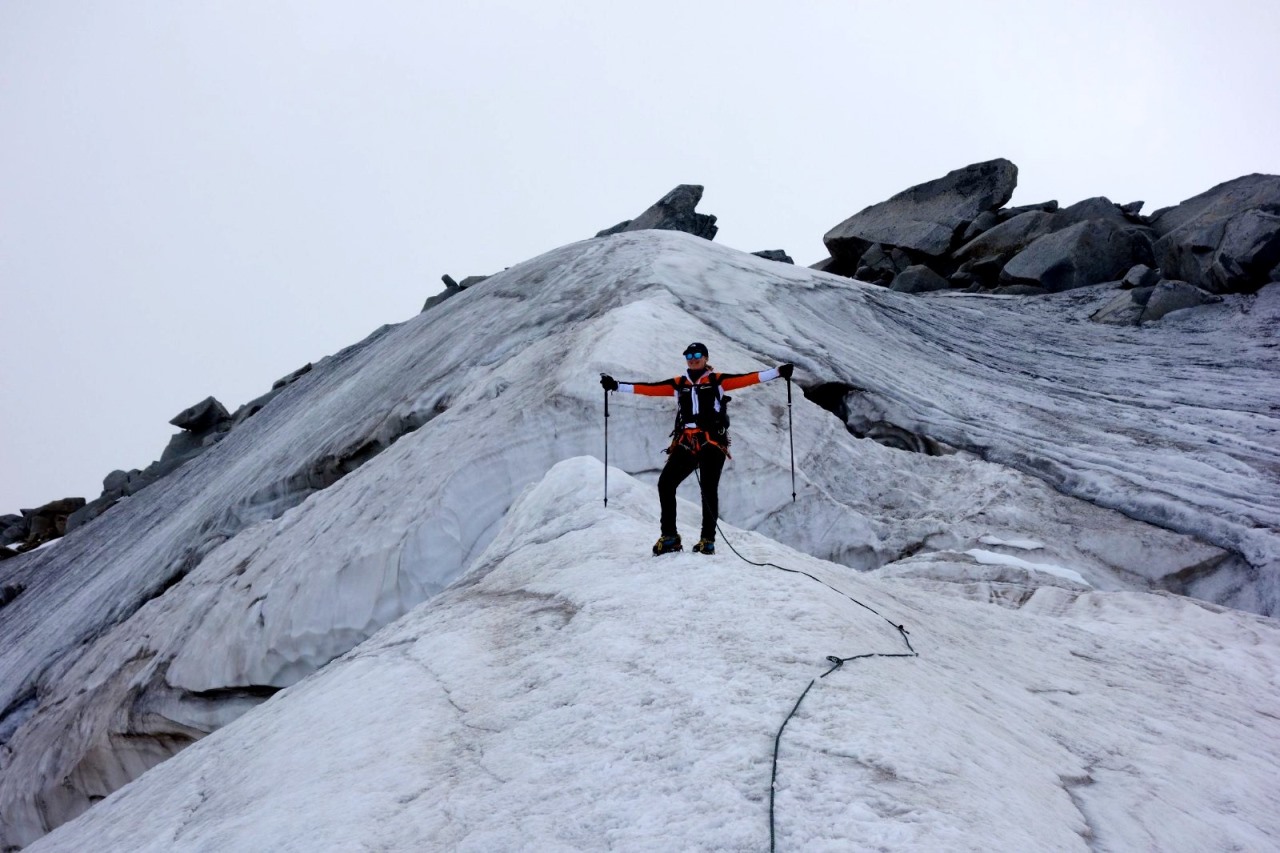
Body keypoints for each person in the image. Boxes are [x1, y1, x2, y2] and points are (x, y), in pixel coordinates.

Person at [600, 342, 794, 555]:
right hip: (687, 442)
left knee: (708, 489)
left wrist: (777, 372)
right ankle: (670, 536)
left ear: (706, 357)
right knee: (666, 483)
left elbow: (748, 378)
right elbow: (649, 388)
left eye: (697, 354)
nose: (693, 358)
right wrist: (616, 386)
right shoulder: (678, 383)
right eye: (689, 355)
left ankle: (707, 540)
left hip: (712, 442)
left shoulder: (717, 381)